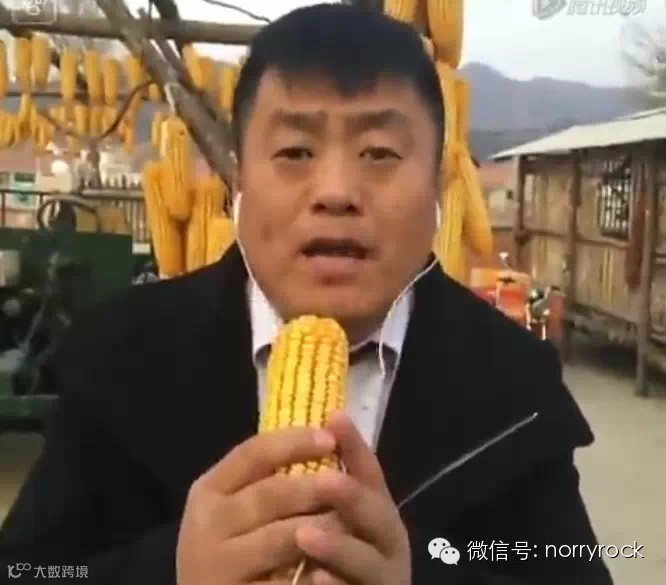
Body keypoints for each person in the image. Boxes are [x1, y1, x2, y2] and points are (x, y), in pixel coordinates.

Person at [0, 4, 612, 585]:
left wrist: (419, 575)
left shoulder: (512, 385)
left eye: (380, 153)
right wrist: (171, 571)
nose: (336, 191)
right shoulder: (121, 355)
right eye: (294, 152)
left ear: (439, 185)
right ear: (239, 179)